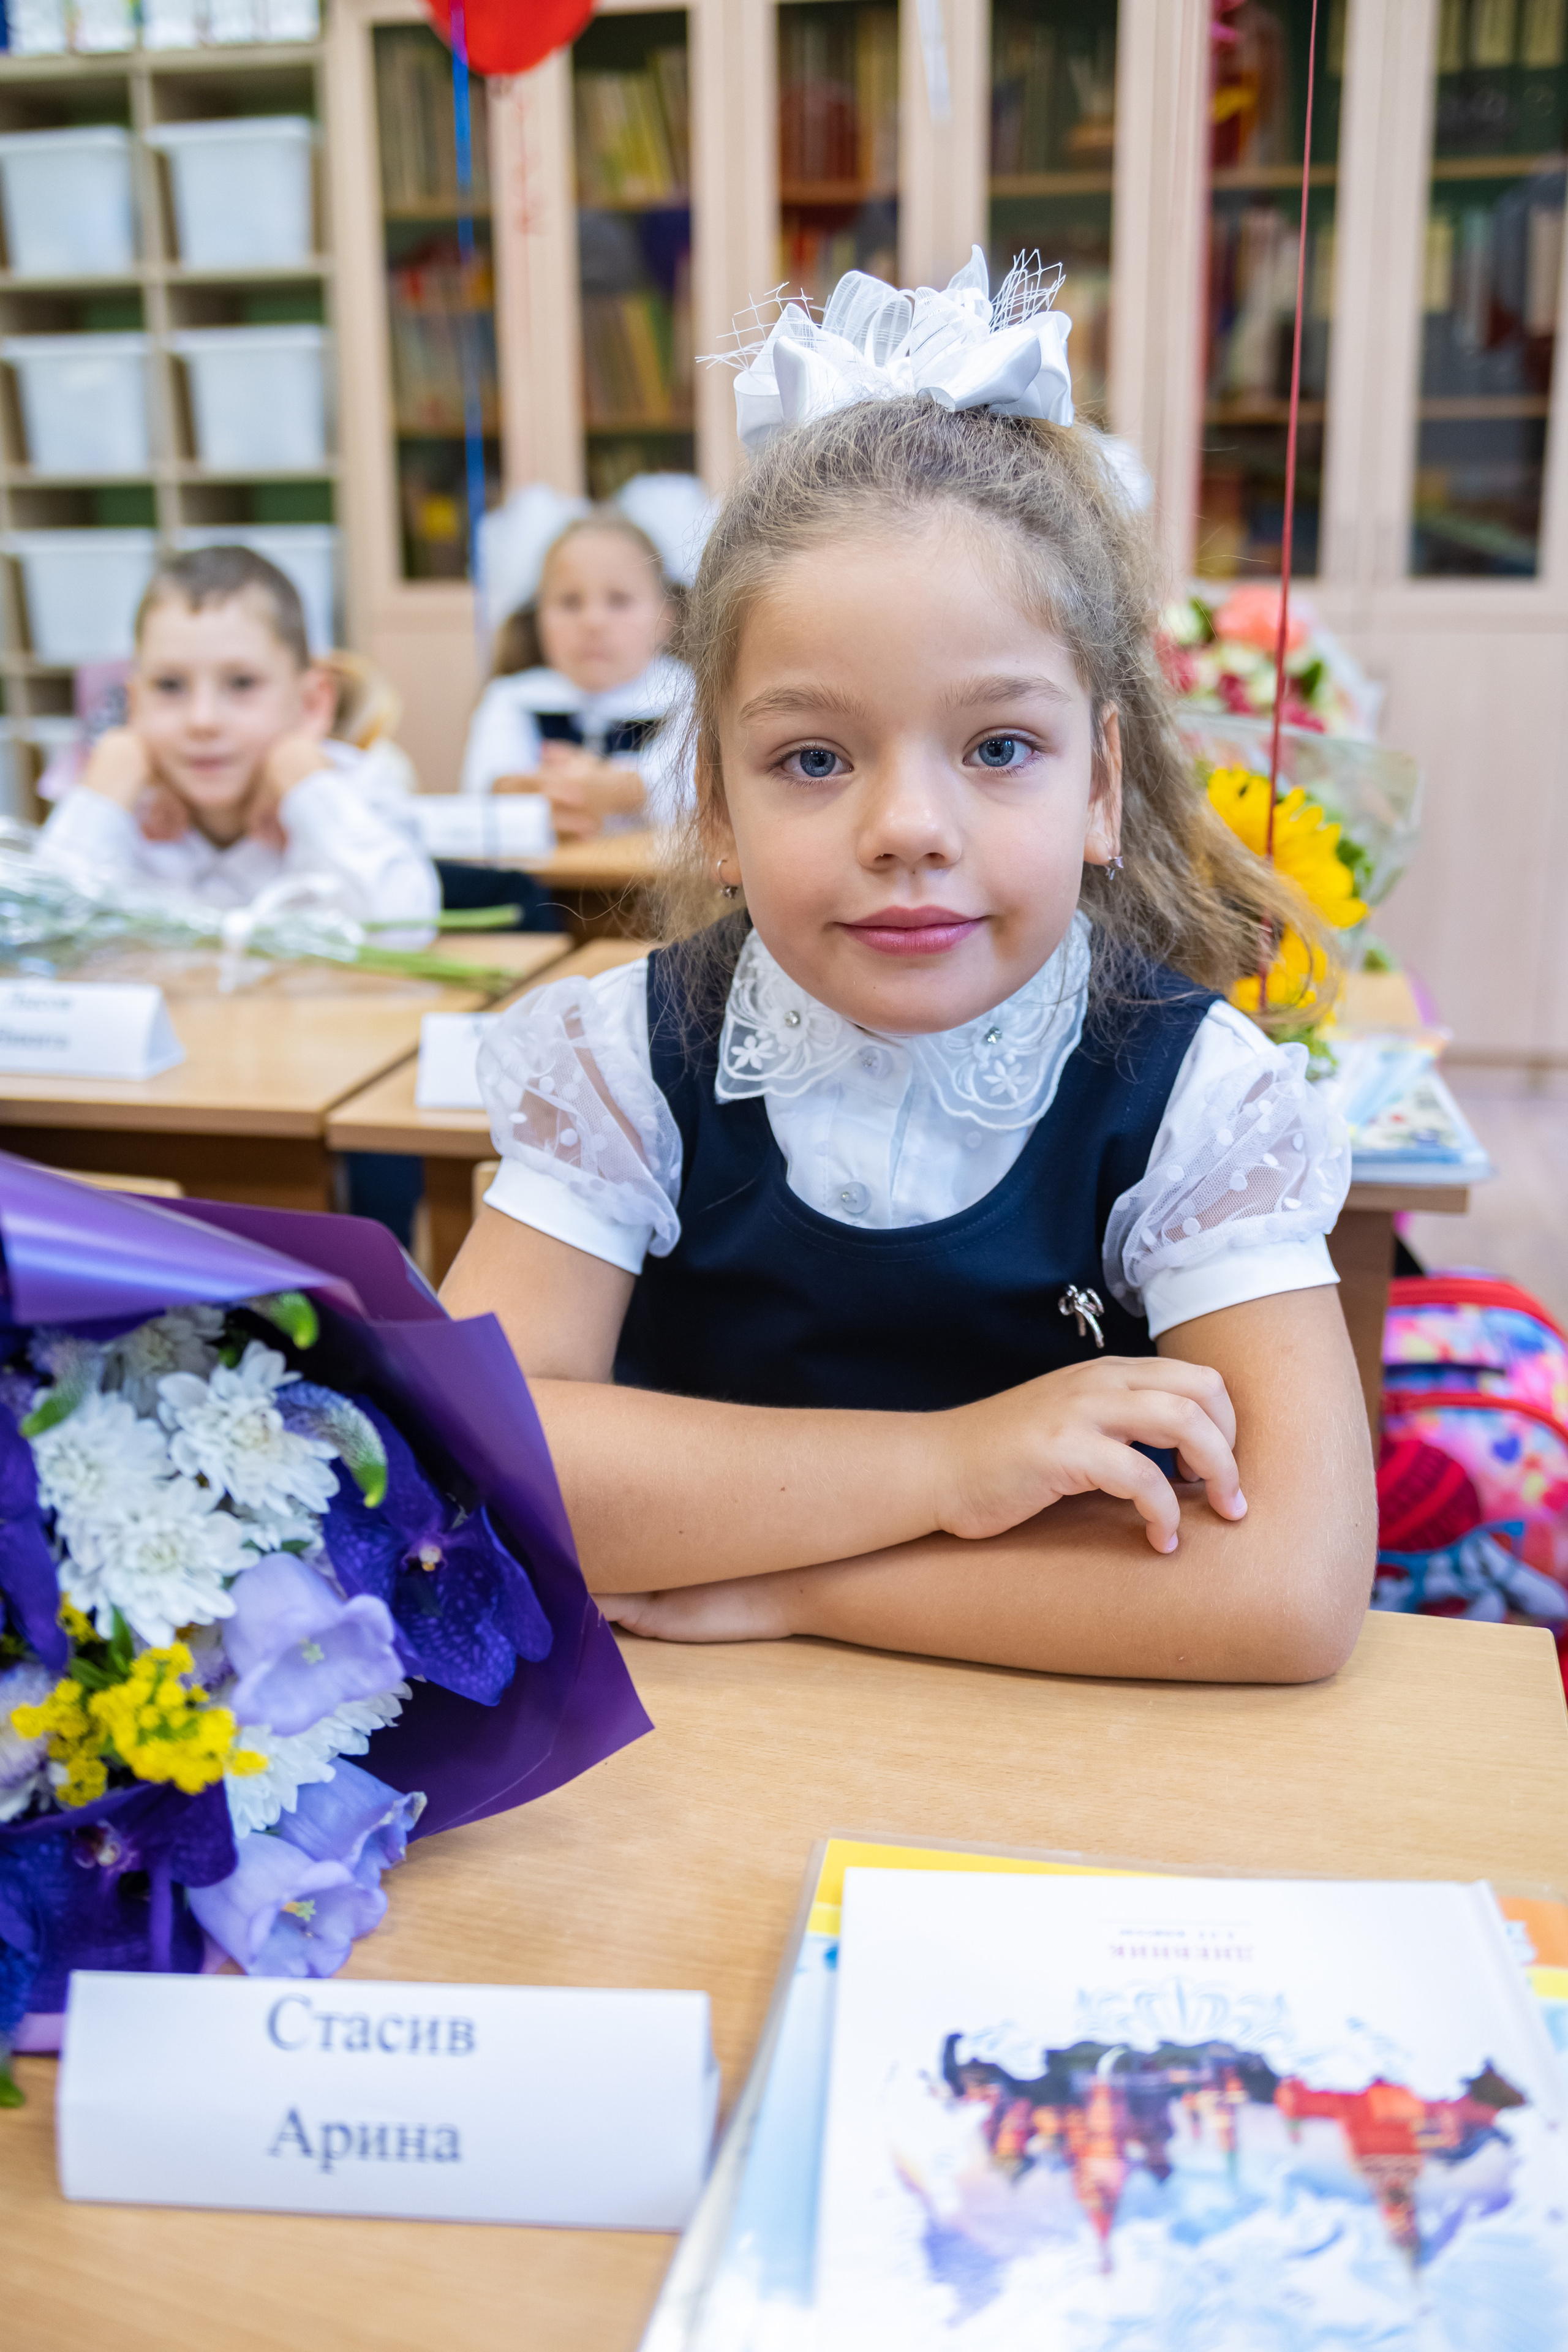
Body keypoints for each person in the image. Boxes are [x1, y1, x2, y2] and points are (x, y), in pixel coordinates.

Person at [442, 257, 1374, 1684]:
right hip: (697, 1762)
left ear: (1099, 784)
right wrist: (953, 1462)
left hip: (1069, 1778)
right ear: (713, 804)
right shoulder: (628, 1052)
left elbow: (1289, 1588)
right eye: (812, 759)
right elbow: (479, 1452)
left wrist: (804, 1581)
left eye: (998, 748)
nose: (907, 831)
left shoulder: (1193, 1097)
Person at [40, 546, 439, 941]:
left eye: (242, 683)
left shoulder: (354, 789)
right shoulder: (123, 806)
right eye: (170, 686)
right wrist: (104, 794)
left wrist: (303, 779)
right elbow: (34, 938)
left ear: (312, 701)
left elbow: (404, 928)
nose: (203, 721)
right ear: (135, 703)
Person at [459, 509, 692, 839]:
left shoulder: (692, 697)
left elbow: (694, 791)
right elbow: (482, 792)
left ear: (666, 617)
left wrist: (612, 789)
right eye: (570, 602)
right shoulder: (510, 699)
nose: (593, 622)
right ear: (538, 616)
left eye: (619, 601)